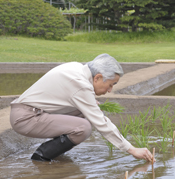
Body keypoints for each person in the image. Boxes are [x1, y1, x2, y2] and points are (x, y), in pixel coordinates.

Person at [10, 54, 154, 162]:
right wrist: (132, 149)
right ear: (97, 77)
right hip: (26, 118)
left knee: (87, 111)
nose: (110, 90)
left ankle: (55, 153)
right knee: (83, 127)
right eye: (110, 84)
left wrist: (90, 104)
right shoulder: (81, 84)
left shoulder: (76, 67)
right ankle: (42, 156)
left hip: (31, 112)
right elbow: (101, 122)